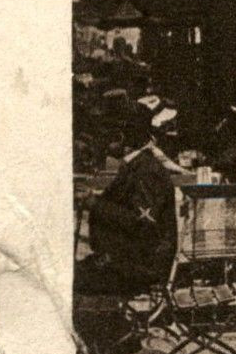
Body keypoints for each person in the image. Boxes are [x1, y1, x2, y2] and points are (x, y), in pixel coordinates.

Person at [76, 100, 183, 296]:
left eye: (107, 133)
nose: (103, 140)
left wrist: (95, 203)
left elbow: (139, 222)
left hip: (139, 267)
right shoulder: (137, 166)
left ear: (121, 136)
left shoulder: (147, 171)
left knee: (64, 278)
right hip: (128, 261)